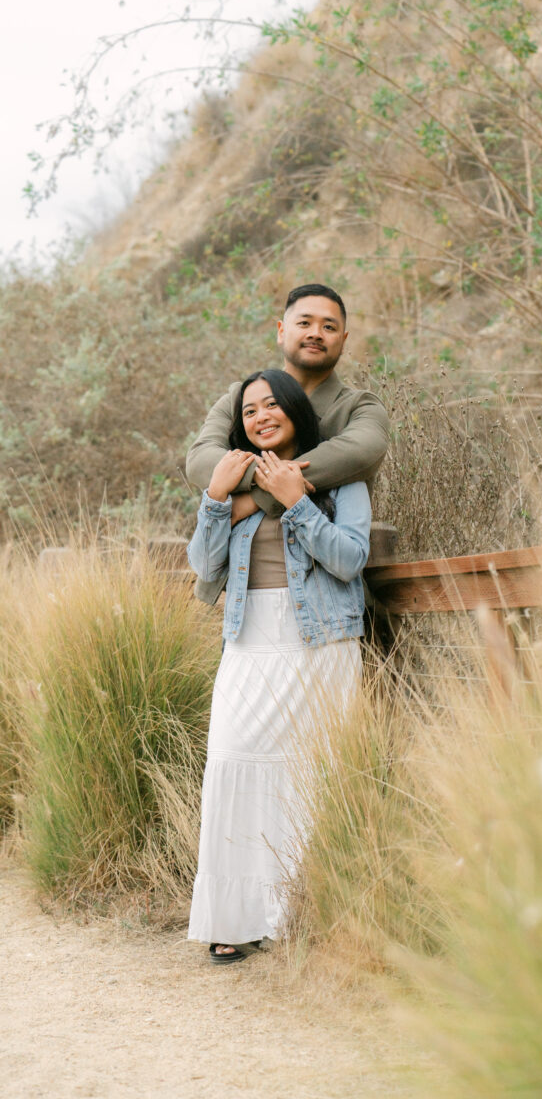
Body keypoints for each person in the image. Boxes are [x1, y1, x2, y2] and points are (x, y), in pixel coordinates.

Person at [186, 368, 371, 963]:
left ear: (295, 410)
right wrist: (215, 501)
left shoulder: (339, 480)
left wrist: (297, 503)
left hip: (322, 642)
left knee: (311, 778)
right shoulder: (235, 482)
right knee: (235, 761)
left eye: (272, 405)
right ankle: (235, 918)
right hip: (249, 641)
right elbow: (203, 574)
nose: (261, 416)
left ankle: (296, 915)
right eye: (249, 411)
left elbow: (349, 560)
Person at [185, 283, 389, 605]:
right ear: (281, 331)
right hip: (242, 600)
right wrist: (264, 479)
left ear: (344, 340)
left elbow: (362, 452)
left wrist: (256, 497)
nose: (316, 333)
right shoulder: (242, 397)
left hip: (326, 600)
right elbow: (200, 460)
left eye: (329, 326)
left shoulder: (359, 406)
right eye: (305, 323)